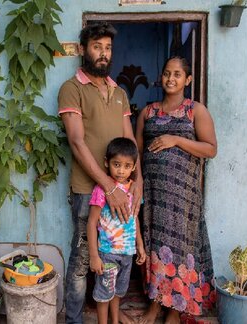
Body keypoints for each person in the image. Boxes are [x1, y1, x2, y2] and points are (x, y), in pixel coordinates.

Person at [58, 22, 143, 324]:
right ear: (83, 50)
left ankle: (113, 315)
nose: (103, 53)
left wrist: (138, 180)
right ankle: (75, 320)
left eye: (107, 48)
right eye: (97, 47)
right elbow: (77, 142)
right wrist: (108, 186)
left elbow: (130, 141)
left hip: (120, 189)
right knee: (83, 259)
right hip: (88, 191)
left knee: (117, 254)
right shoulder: (71, 89)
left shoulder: (118, 91)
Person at [135, 56, 217, 324]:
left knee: (179, 249)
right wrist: (136, 182)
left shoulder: (196, 110)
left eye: (177, 74)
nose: (171, 79)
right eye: (167, 73)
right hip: (155, 194)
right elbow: (136, 151)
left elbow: (210, 149)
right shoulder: (147, 112)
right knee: (155, 246)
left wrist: (175, 140)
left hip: (183, 196)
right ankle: (155, 305)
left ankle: (174, 309)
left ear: (188, 80)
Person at [87, 137, 146, 324]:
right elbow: (91, 223)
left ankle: (115, 320)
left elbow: (134, 219)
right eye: (116, 164)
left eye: (127, 166)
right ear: (107, 162)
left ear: (134, 167)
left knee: (118, 292)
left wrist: (140, 246)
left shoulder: (134, 191)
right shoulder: (102, 190)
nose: (121, 170)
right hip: (107, 254)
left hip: (127, 254)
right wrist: (94, 256)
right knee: (104, 294)